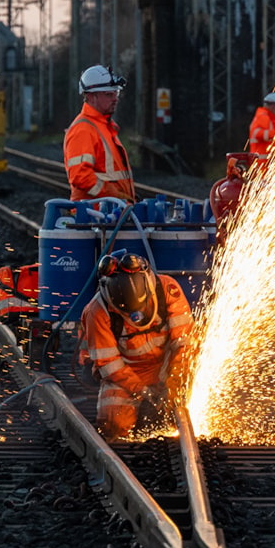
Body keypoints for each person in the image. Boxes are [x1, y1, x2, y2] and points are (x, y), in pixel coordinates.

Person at [78, 250, 193, 439]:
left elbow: (184, 342)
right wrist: (143, 392)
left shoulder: (167, 289)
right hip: (127, 374)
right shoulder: (96, 312)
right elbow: (109, 365)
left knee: (188, 398)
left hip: (168, 366)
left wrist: (174, 382)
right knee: (113, 422)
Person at [64, 65, 136, 203]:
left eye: (116, 93)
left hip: (108, 215)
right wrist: (114, 196)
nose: (115, 98)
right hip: (93, 217)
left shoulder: (103, 127)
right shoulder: (84, 129)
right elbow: (80, 176)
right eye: (109, 94)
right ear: (91, 96)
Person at [247, 91, 275, 169]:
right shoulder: (263, 117)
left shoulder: (271, 118)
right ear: (273, 106)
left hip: (267, 163)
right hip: (260, 164)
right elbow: (257, 134)